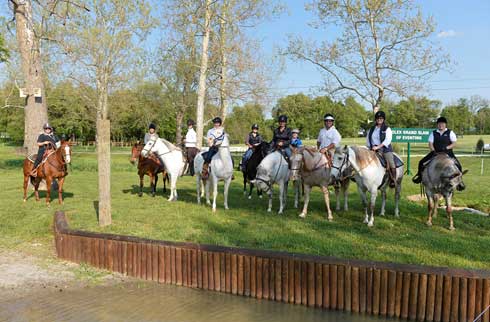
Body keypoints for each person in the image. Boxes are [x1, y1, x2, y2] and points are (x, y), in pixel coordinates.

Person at [412, 116, 464, 190]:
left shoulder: (450, 132)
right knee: (421, 162)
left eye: (442, 124)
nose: (440, 125)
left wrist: (447, 147)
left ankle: (459, 182)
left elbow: (454, 143)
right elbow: (430, 143)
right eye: (439, 124)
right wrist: (433, 151)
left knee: (459, 165)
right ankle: (420, 177)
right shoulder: (433, 133)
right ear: (437, 125)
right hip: (435, 152)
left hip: (448, 152)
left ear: (445, 124)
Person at [366, 111, 396, 188]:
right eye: (378, 118)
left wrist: (378, 147)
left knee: (391, 162)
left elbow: (387, 140)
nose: (379, 119)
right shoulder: (371, 129)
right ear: (375, 119)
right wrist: (370, 147)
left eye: (381, 118)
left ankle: (393, 179)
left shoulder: (387, 129)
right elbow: (368, 139)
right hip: (372, 149)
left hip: (385, 149)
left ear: (383, 119)